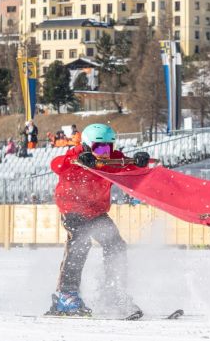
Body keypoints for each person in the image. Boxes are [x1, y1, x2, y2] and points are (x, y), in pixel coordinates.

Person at [47, 123, 151, 317]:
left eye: (108, 147)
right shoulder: (75, 156)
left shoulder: (113, 159)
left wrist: (139, 162)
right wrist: (78, 159)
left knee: (116, 245)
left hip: (96, 212)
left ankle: (112, 292)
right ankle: (65, 295)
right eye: (99, 148)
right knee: (80, 243)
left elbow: (129, 167)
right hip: (73, 210)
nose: (105, 153)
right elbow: (56, 164)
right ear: (87, 146)